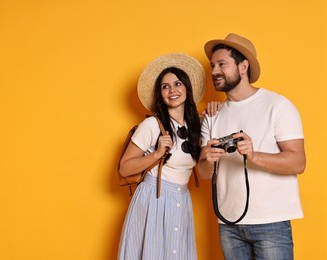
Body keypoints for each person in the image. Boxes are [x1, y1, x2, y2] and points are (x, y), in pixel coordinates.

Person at [198, 33, 306, 260]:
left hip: (271, 222)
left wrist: (253, 155)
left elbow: (298, 162)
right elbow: (204, 174)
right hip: (228, 223)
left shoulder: (278, 106)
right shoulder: (212, 115)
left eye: (222, 64)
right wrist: (208, 157)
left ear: (243, 66)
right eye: (212, 66)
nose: (215, 71)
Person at [118, 53, 207, 260]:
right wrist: (158, 153)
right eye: (165, 86)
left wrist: (217, 107)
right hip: (153, 199)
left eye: (177, 84)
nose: (172, 90)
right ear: (160, 94)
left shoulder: (196, 125)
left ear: (187, 88)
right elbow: (125, 168)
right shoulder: (151, 125)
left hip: (181, 199)